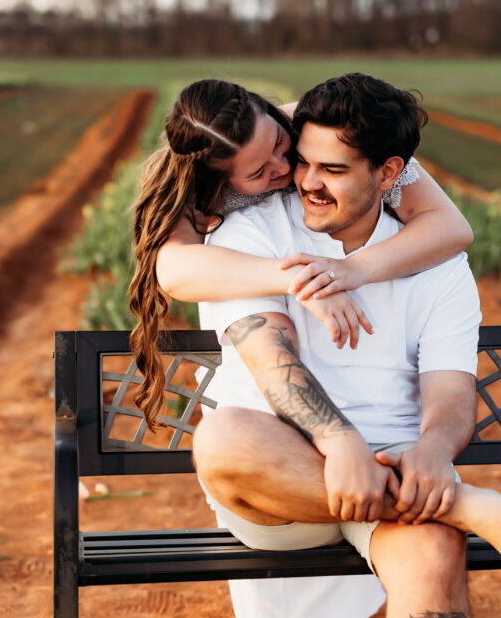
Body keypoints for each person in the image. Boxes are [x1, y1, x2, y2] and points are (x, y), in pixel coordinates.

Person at [191, 73, 501, 618]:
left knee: (434, 556)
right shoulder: (250, 235)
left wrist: (434, 450)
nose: (307, 182)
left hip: (396, 463)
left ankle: (438, 504)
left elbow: (451, 389)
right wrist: (340, 444)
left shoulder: (435, 262)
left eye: (334, 170)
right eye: (303, 161)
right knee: (223, 438)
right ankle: (464, 505)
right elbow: (271, 360)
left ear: (388, 173)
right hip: (284, 483)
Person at [128, 79, 473, 432]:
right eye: (258, 172)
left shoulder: (317, 127)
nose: (283, 167)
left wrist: (351, 269)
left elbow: (450, 227)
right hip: (265, 410)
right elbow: (174, 271)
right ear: (221, 181)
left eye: (281, 144)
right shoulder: (201, 192)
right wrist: (302, 280)